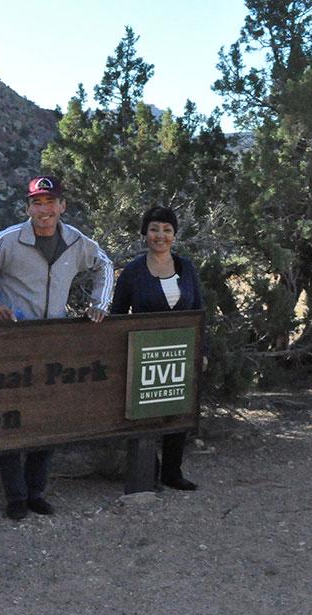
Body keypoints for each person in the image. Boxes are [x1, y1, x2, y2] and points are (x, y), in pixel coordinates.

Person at [0, 175, 113, 520]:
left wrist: (100, 302)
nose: (44, 210)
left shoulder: (76, 241)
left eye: (50, 202)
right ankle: (15, 496)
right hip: (13, 340)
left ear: (62, 206)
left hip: (54, 340)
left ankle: (36, 492)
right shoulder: (9, 240)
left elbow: (105, 263)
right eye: (37, 203)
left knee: (48, 418)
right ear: (28, 207)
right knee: (8, 417)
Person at [110, 205, 202, 491]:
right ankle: (148, 471)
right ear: (144, 233)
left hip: (180, 352)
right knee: (143, 414)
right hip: (143, 354)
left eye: (167, 230)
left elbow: (199, 311)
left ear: (174, 234)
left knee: (177, 410)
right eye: (154, 229)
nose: (160, 235)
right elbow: (117, 313)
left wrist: (203, 352)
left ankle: (172, 473)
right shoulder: (133, 272)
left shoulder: (186, 268)